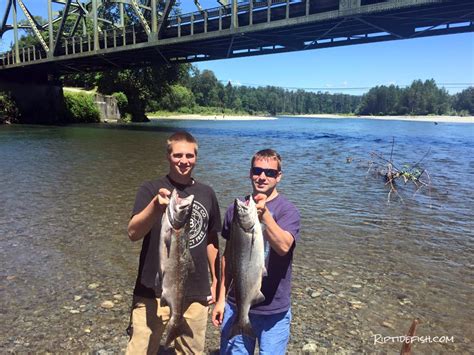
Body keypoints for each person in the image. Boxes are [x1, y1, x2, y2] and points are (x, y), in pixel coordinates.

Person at [126, 131, 221, 354]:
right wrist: (155, 207)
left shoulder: (207, 192)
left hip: (196, 292)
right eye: (178, 155)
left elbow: (212, 240)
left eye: (190, 156)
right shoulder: (150, 189)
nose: (184, 161)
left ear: (196, 158)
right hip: (151, 290)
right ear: (168, 156)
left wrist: (217, 281)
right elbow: (133, 233)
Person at [212, 149, 300, 354]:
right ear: (250, 173)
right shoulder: (236, 210)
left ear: (279, 176)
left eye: (269, 172)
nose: (262, 177)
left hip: (274, 310)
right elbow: (227, 257)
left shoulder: (288, 211)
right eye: (257, 171)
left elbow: (284, 246)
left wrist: (266, 217)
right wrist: (220, 299)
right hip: (236, 305)